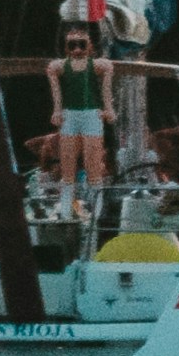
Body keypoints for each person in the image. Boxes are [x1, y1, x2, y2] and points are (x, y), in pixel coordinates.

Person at [45, 25, 111, 217]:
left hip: (91, 114)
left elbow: (106, 80)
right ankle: (66, 210)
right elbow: (56, 89)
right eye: (72, 45)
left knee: (93, 164)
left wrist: (108, 107)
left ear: (89, 45)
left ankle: (96, 213)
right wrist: (57, 111)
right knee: (67, 164)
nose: (77, 50)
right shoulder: (60, 66)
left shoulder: (97, 65)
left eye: (81, 44)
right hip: (70, 114)